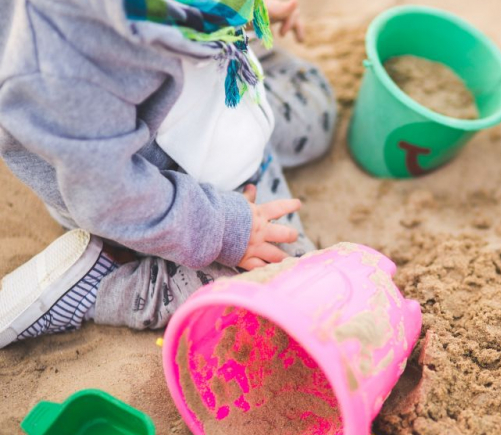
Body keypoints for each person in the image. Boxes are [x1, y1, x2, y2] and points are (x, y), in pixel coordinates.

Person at [0, 0, 336, 347]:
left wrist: (247, 12)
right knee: (291, 284)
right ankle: (105, 282)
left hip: (215, 102)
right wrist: (224, 230)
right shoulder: (63, 64)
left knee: (316, 110)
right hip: (157, 199)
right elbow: (112, 199)